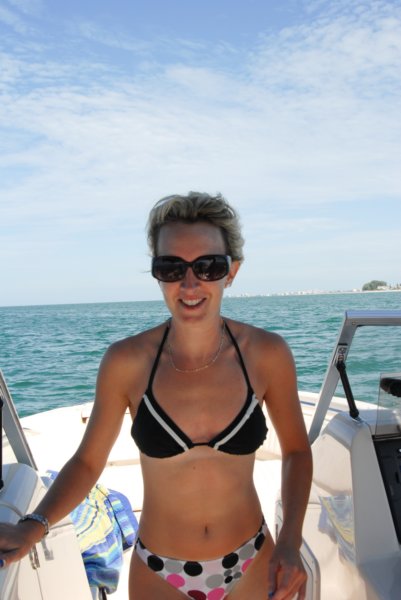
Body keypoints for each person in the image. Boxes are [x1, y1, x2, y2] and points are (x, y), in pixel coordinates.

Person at [0, 192, 312, 599]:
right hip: (159, 571)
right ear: (157, 274)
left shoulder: (267, 354)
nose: (190, 283)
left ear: (231, 271)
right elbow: (88, 461)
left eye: (208, 266)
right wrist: (33, 527)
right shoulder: (126, 361)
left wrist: (290, 541)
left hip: (252, 559)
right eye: (171, 267)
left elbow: (297, 452)